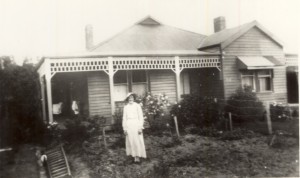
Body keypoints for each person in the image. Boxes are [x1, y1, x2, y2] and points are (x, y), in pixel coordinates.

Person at [122, 93, 147, 163]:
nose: (130, 99)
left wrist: (140, 127)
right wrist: (125, 128)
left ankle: (138, 156)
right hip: (129, 125)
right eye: (129, 98)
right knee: (131, 140)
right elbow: (124, 118)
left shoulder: (137, 106)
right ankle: (133, 155)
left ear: (134, 98)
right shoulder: (126, 107)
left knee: (137, 140)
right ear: (127, 99)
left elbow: (141, 117)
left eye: (132, 98)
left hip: (136, 124)